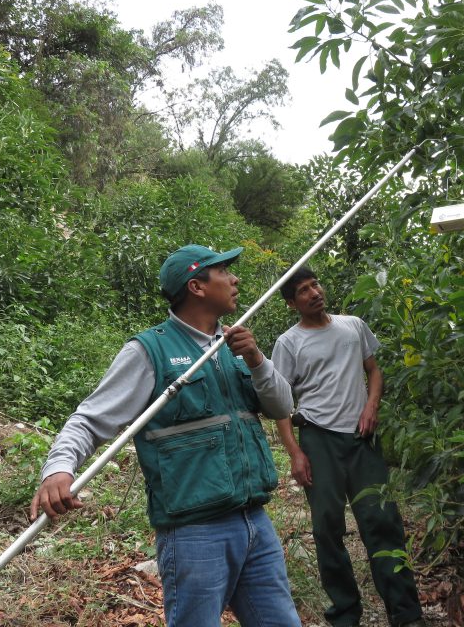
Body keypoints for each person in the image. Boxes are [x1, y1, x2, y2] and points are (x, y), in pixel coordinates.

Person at [30, 244, 302, 627]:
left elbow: (281, 407)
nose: (235, 278)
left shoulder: (237, 345)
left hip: (255, 521)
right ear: (197, 287)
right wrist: (59, 468)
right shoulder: (149, 350)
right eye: (224, 271)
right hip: (194, 532)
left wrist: (257, 361)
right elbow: (90, 419)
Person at [273, 266, 426, 627]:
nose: (314, 293)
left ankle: (406, 614)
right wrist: (295, 453)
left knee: (382, 521)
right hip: (318, 439)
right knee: (327, 527)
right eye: (304, 291)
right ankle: (345, 613)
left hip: (361, 440)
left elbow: (373, 369)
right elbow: (279, 403)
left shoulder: (353, 325)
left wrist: (372, 404)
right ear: (292, 303)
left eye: (315, 285)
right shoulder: (289, 343)